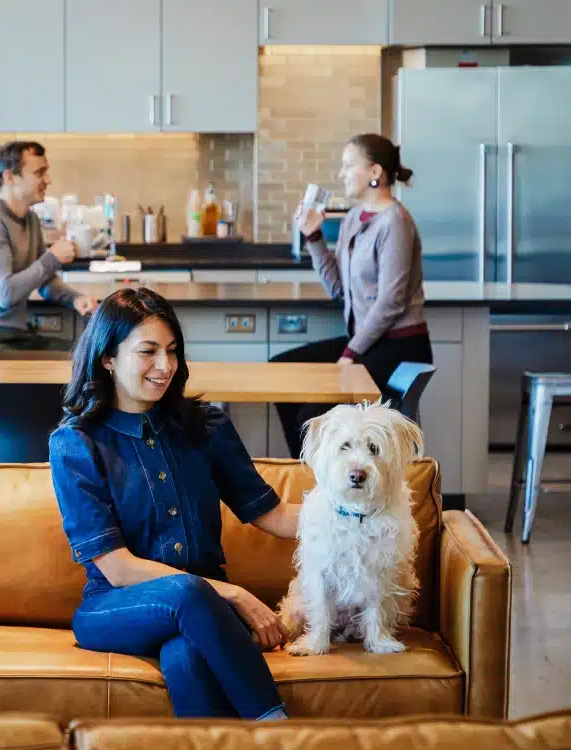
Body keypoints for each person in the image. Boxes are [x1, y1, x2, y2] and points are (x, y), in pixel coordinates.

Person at [49, 287, 300, 719]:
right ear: (108, 357)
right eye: (148, 352)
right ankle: (279, 733)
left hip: (204, 611)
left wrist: (356, 513)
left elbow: (273, 515)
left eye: (172, 351)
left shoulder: (206, 427)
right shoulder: (76, 444)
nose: (165, 366)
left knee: (186, 653)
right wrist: (234, 594)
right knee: (188, 592)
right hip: (115, 606)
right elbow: (119, 567)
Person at [272, 133, 433, 459]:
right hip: (368, 343)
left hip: (398, 346)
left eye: (348, 166)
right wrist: (313, 236)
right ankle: (311, 483)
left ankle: (322, 488)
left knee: (309, 418)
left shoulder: (395, 221)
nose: (341, 173)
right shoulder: (351, 220)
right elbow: (338, 289)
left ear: (375, 172)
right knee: (281, 370)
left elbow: (392, 301)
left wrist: (350, 352)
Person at [0, 140, 99, 358]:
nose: (48, 180)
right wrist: (52, 258)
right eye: (39, 173)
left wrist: (75, 298)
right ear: (9, 177)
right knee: (77, 364)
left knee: (87, 356)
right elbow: (5, 294)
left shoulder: (30, 219)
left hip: (12, 338)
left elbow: (44, 280)